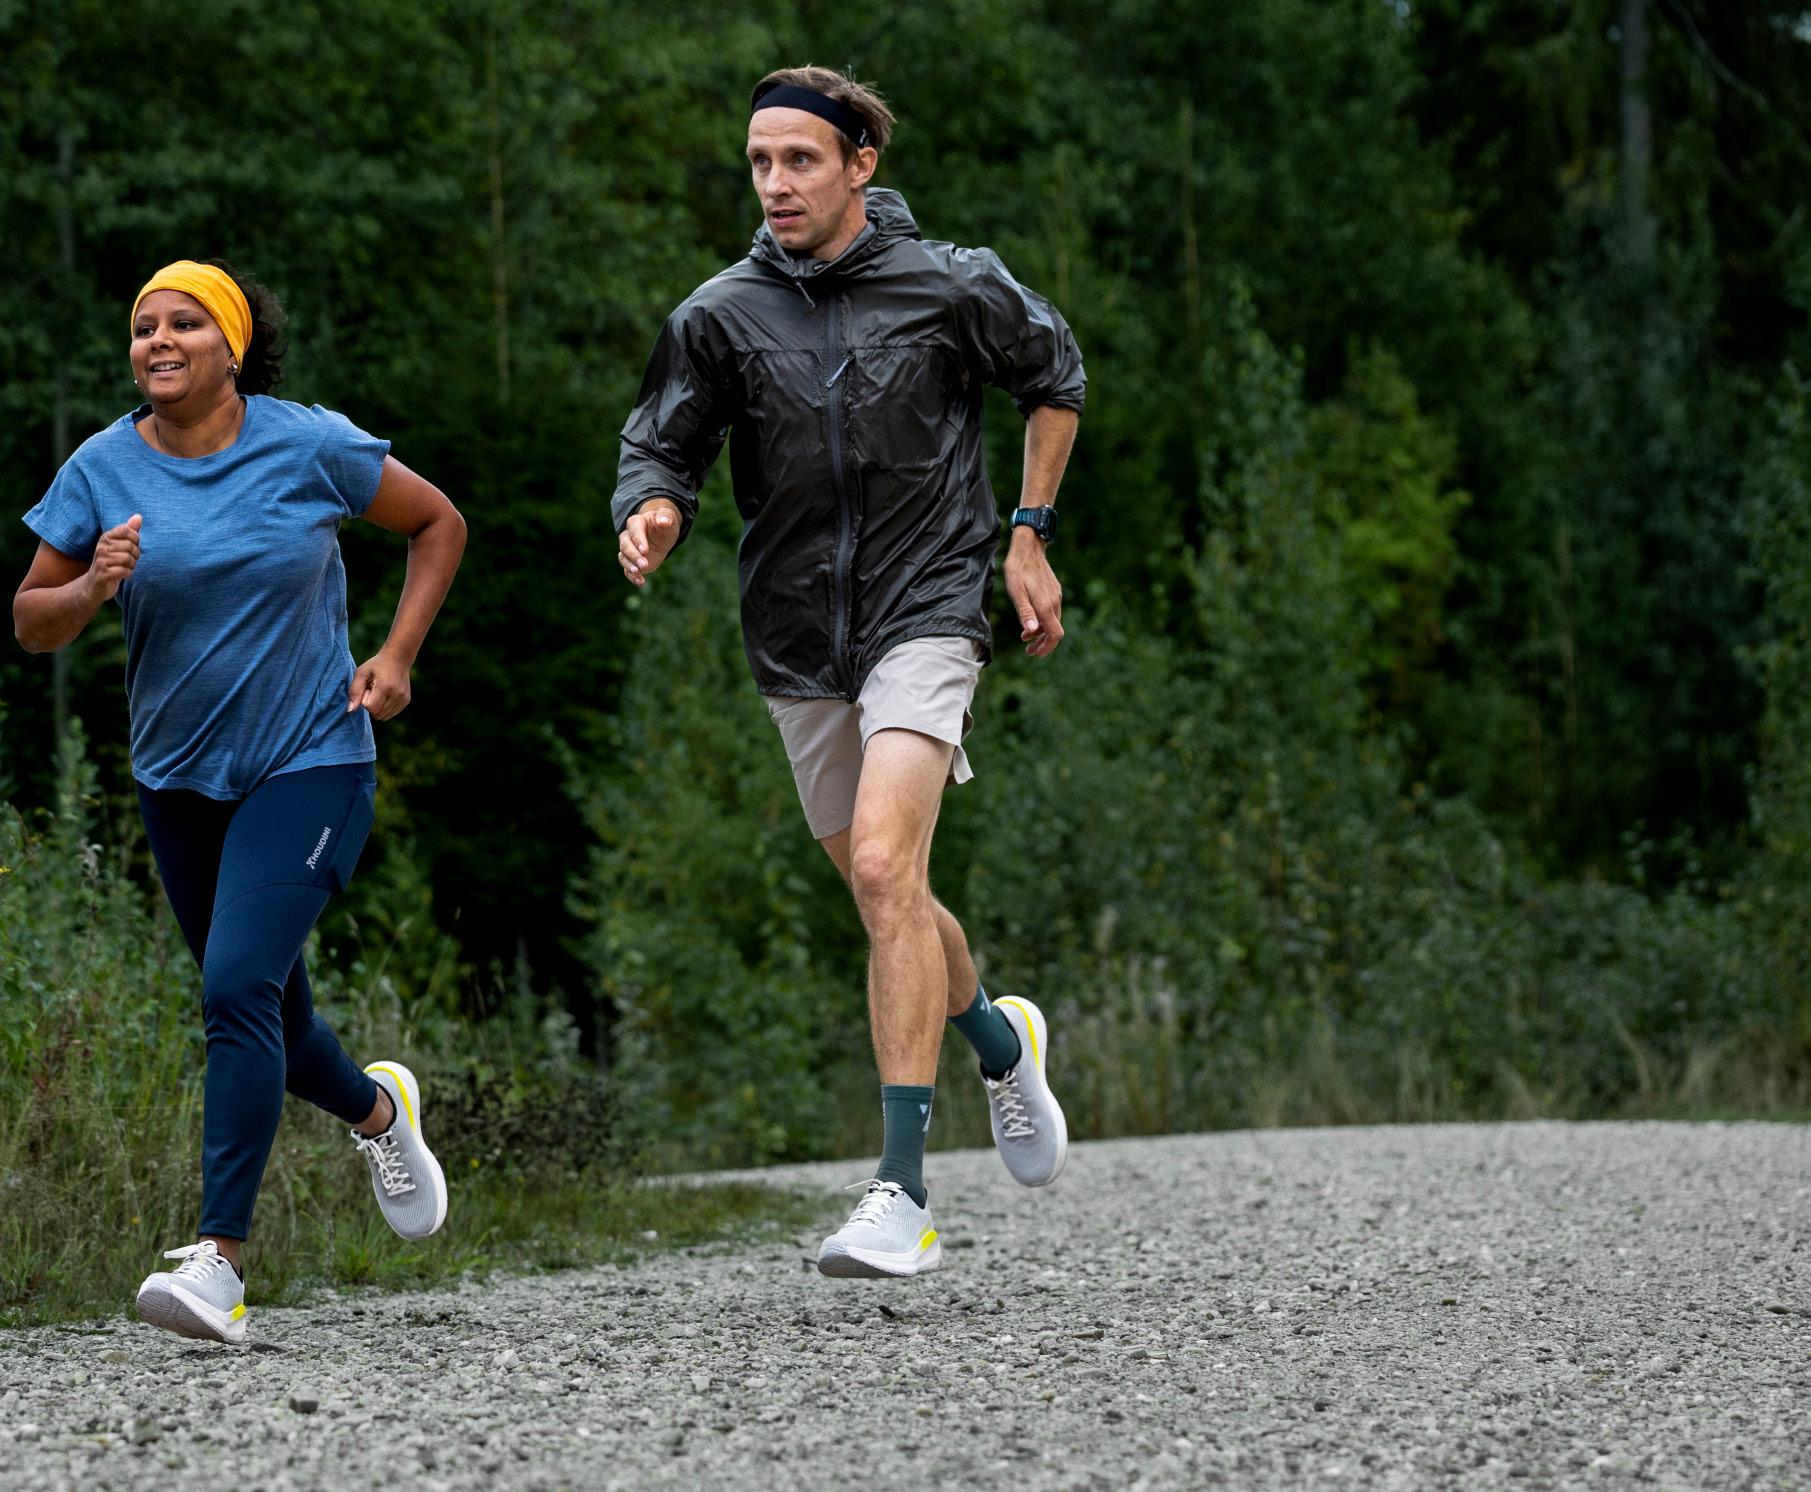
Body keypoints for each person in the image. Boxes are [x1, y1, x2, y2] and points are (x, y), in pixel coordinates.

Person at [614, 68, 1084, 1277]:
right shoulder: (718, 315)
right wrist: (652, 508)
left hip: (927, 605)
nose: (774, 184)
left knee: (883, 866)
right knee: (888, 894)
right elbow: (660, 441)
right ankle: (999, 1044)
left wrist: (1027, 534)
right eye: (759, 162)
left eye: (800, 161)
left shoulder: (948, 284)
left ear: (858, 164)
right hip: (793, 637)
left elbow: (1054, 377)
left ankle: (900, 1191)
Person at [13, 260, 465, 1342]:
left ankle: (217, 1262)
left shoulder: (308, 445)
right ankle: (379, 1110)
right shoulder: (101, 466)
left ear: (233, 345)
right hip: (177, 778)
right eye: (143, 327)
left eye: (184, 324)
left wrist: (397, 655)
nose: (158, 342)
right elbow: (31, 621)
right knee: (273, 1016)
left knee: (234, 988)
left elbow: (437, 522)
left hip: (311, 759)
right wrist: (92, 584)